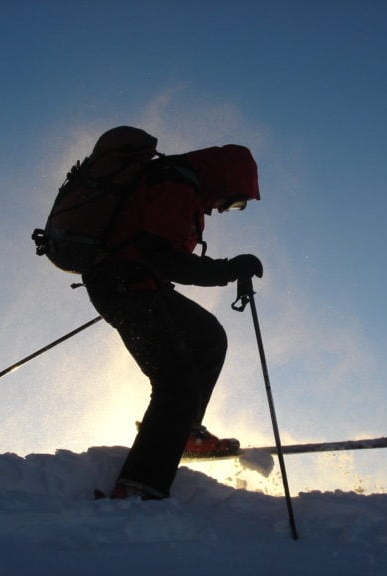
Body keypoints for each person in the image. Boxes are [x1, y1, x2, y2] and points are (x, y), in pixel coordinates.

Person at [82, 135, 263, 500]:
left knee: (208, 336)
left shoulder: (184, 188)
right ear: (225, 180)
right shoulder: (175, 184)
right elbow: (165, 258)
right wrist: (228, 269)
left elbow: (159, 255)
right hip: (124, 286)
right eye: (236, 201)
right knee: (177, 383)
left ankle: (186, 433)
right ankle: (138, 488)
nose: (227, 209)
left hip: (138, 285)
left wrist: (227, 270)